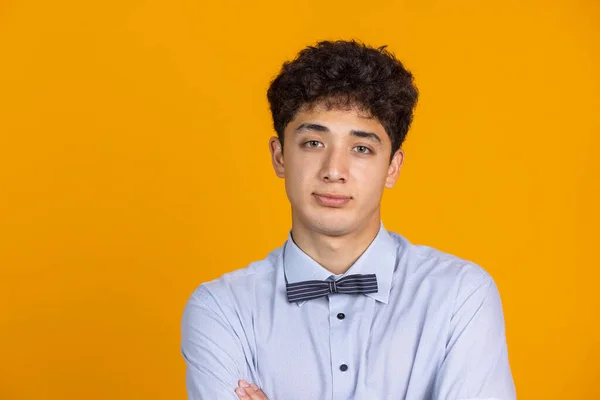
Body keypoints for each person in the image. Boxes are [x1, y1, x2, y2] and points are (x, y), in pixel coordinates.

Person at [180, 39, 516, 400]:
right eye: (313, 143)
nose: (334, 170)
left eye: (361, 148)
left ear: (392, 167)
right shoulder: (220, 310)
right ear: (279, 157)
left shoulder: (460, 297)